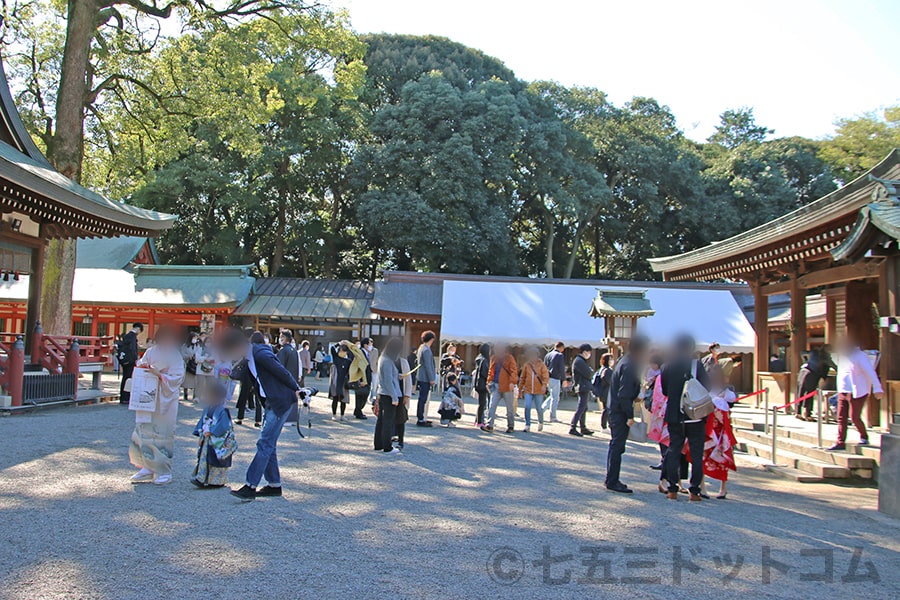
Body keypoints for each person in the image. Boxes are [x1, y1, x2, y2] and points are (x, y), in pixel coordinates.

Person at [231, 332, 302, 501]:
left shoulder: (260, 353)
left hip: (280, 402)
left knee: (264, 443)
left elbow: (281, 371)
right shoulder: (250, 357)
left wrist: (296, 388)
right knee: (269, 444)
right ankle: (274, 485)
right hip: (271, 402)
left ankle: (250, 485)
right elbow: (238, 375)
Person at [128, 325, 186, 486]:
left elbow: (177, 377)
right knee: (144, 430)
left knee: (163, 434)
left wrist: (159, 374)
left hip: (165, 399)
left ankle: (163, 470)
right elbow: (141, 365)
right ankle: (146, 466)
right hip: (148, 396)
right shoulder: (151, 351)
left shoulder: (175, 355)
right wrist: (144, 368)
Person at [661, 334, 710, 501]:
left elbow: (665, 391)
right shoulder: (697, 366)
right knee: (697, 453)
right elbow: (707, 387)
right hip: (695, 415)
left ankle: (672, 488)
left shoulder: (667, 366)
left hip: (675, 414)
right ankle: (694, 490)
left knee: (674, 449)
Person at [604, 336, 648, 494]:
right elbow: (624, 394)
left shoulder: (625, 361)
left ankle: (611, 478)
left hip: (615, 407)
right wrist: (630, 415)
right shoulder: (630, 365)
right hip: (620, 410)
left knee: (616, 445)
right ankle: (612, 480)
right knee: (617, 445)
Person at [828, 337, 883, 451]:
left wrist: (877, 388)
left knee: (854, 417)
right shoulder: (841, 356)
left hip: (858, 390)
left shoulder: (860, 356)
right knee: (841, 417)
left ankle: (864, 436)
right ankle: (840, 442)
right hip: (843, 390)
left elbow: (870, 372)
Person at [191, 380, 235, 488]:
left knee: (215, 459)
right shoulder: (207, 409)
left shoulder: (223, 411)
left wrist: (212, 431)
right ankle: (201, 478)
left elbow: (224, 426)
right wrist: (201, 434)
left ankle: (216, 481)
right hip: (207, 439)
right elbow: (202, 422)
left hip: (216, 440)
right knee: (204, 458)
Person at [703, 369, 737, 499]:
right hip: (709, 430)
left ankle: (723, 487)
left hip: (721, 431)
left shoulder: (727, 393)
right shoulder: (706, 392)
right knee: (704, 457)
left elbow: (730, 405)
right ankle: (703, 486)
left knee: (722, 458)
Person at [374, 338, 404, 454]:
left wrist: (398, 376)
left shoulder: (384, 358)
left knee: (381, 421)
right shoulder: (387, 361)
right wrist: (394, 397)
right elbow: (387, 381)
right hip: (389, 394)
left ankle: (379, 444)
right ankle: (387, 447)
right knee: (388, 421)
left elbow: (389, 377)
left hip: (384, 393)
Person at [483, 346, 518, 433]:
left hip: (507, 386)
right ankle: (489, 425)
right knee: (492, 405)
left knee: (510, 408)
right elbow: (491, 371)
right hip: (496, 385)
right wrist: (488, 381)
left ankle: (511, 426)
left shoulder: (509, 358)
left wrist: (512, 382)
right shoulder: (494, 358)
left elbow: (514, 370)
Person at [235, 328, 262, 427]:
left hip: (248, 374)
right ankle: (258, 420)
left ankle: (240, 417)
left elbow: (242, 356)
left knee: (243, 396)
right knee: (258, 398)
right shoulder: (262, 347)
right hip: (258, 375)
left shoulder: (247, 346)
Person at [519, 346, 549, 432]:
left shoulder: (542, 365)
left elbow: (545, 376)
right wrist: (520, 388)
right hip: (528, 389)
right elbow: (523, 377)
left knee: (539, 407)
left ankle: (540, 422)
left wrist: (544, 385)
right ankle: (527, 424)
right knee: (527, 406)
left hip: (538, 390)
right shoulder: (526, 365)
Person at [569, 344, 595, 437]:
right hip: (582, 386)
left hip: (582, 386)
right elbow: (588, 374)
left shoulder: (580, 361)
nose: (589, 354)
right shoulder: (579, 361)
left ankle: (582, 427)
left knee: (584, 407)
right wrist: (591, 371)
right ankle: (573, 427)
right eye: (588, 352)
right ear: (584, 352)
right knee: (581, 407)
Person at [329, 342, 355, 421]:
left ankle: (342, 415)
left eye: (344, 351)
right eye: (341, 351)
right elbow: (332, 348)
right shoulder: (336, 358)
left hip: (344, 381)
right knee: (335, 398)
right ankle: (334, 414)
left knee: (344, 400)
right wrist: (339, 343)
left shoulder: (348, 361)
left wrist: (349, 345)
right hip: (336, 381)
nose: (342, 353)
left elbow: (354, 355)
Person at [415, 331, 437, 427]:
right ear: (431, 339)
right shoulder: (427, 350)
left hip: (421, 376)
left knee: (422, 398)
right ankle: (421, 418)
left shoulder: (421, 348)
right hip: (425, 378)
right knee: (423, 398)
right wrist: (431, 378)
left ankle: (422, 417)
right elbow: (428, 365)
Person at [118, 323, 143, 405]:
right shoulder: (132, 336)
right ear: (138, 329)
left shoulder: (127, 335)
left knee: (125, 377)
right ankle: (126, 397)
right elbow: (132, 349)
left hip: (124, 359)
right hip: (130, 360)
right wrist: (135, 358)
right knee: (128, 378)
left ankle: (123, 396)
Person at [542, 342, 566, 423]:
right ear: (561, 347)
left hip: (548, 377)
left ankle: (542, 410)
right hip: (555, 377)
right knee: (555, 397)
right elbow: (561, 368)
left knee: (552, 396)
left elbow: (544, 366)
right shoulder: (560, 355)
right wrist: (564, 379)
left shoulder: (548, 355)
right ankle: (553, 416)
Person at [353, 338, 375, 420]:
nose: (371, 346)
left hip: (367, 378)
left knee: (363, 395)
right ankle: (358, 411)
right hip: (362, 379)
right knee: (361, 395)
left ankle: (358, 410)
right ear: (365, 345)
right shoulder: (361, 353)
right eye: (370, 344)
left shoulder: (366, 354)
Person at [592, 353, 614, 430]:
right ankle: (604, 426)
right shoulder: (607, 370)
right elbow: (611, 382)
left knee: (606, 409)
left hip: (603, 392)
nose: (612, 361)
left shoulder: (602, 369)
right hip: (606, 392)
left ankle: (608, 425)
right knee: (607, 410)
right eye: (611, 359)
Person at [472, 344, 491, 427]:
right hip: (483, 384)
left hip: (478, 383)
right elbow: (485, 373)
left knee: (481, 403)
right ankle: (480, 421)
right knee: (482, 404)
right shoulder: (484, 360)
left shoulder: (479, 358)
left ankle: (477, 420)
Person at [181, 331, 201, 402]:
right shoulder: (185, 345)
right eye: (194, 337)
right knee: (186, 381)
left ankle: (194, 396)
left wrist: (196, 356)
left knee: (195, 381)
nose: (195, 339)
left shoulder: (198, 346)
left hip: (195, 365)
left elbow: (199, 353)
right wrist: (188, 356)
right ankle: (185, 394)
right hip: (187, 365)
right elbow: (182, 354)